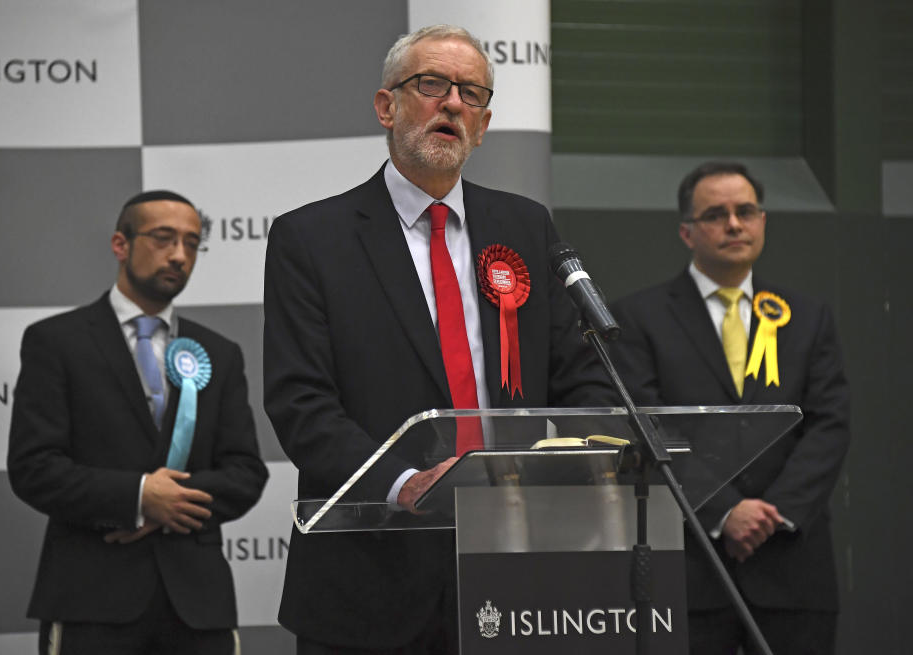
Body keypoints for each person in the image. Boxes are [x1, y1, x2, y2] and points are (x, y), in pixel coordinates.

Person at [264, 24, 614, 654]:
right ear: (386, 106)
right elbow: (301, 404)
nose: (453, 102)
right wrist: (407, 481)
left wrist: (555, 461)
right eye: (431, 84)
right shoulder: (312, 239)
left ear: (482, 126)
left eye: (472, 94)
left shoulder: (524, 225)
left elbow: (581, 376)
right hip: (373, 578)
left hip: (522, 570)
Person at [8, 190, 268, 655]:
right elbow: (35, 468)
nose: (179, 255)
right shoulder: (55, 342)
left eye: (192, 243)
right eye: (164, 238)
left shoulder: (220, 354)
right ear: (119, 244)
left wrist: (169, 505)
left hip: (198, 608)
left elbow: (246, 474)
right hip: (90, 600)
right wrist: (140, 496)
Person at [609, 161, 850, 654]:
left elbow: (829, 425)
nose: (734, 224)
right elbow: (648, 425)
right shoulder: (638, 318)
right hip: (692, 568)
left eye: (746, 211)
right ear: (686, 232)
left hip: (792, 564)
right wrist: (724, 511)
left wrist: (772, 515)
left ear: (763, 221)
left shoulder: (806, 317)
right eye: (716, 214)